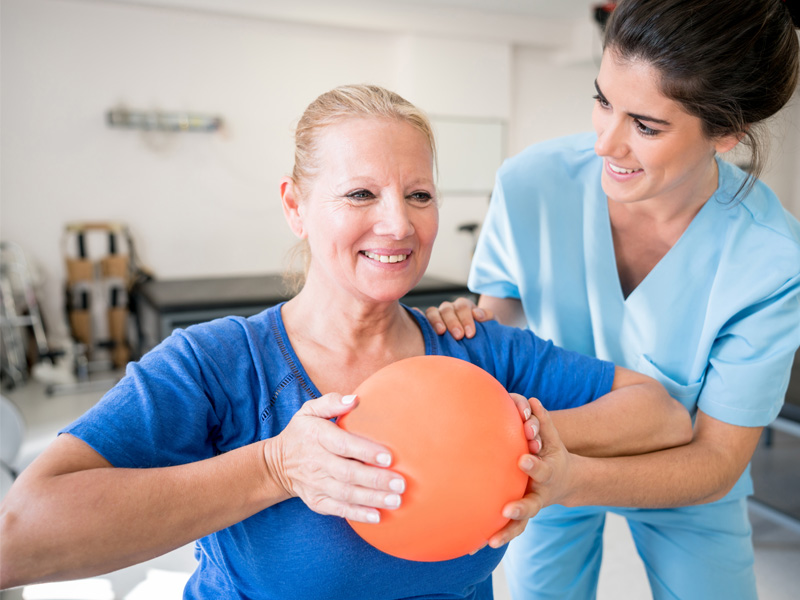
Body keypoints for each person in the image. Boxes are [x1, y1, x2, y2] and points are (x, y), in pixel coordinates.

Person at [0, 85, 691, 599]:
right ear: (295, 206)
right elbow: (18, 537)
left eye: (419, 195)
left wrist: (517, 436)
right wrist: (274, 468)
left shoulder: (479, 352)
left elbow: (658, 412)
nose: (398, 224)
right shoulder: (218, 364)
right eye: (361, 193)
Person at [426, 1, 800, 599]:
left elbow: (716, 459)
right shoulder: (531, 183)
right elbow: (499, 323)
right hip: (550, 442)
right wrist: (468, 329)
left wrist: (573, 478)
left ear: (726, 135)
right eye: (603, 100)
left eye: (646, 126)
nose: (606, 144)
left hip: (682, 475)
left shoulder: (770, 259)